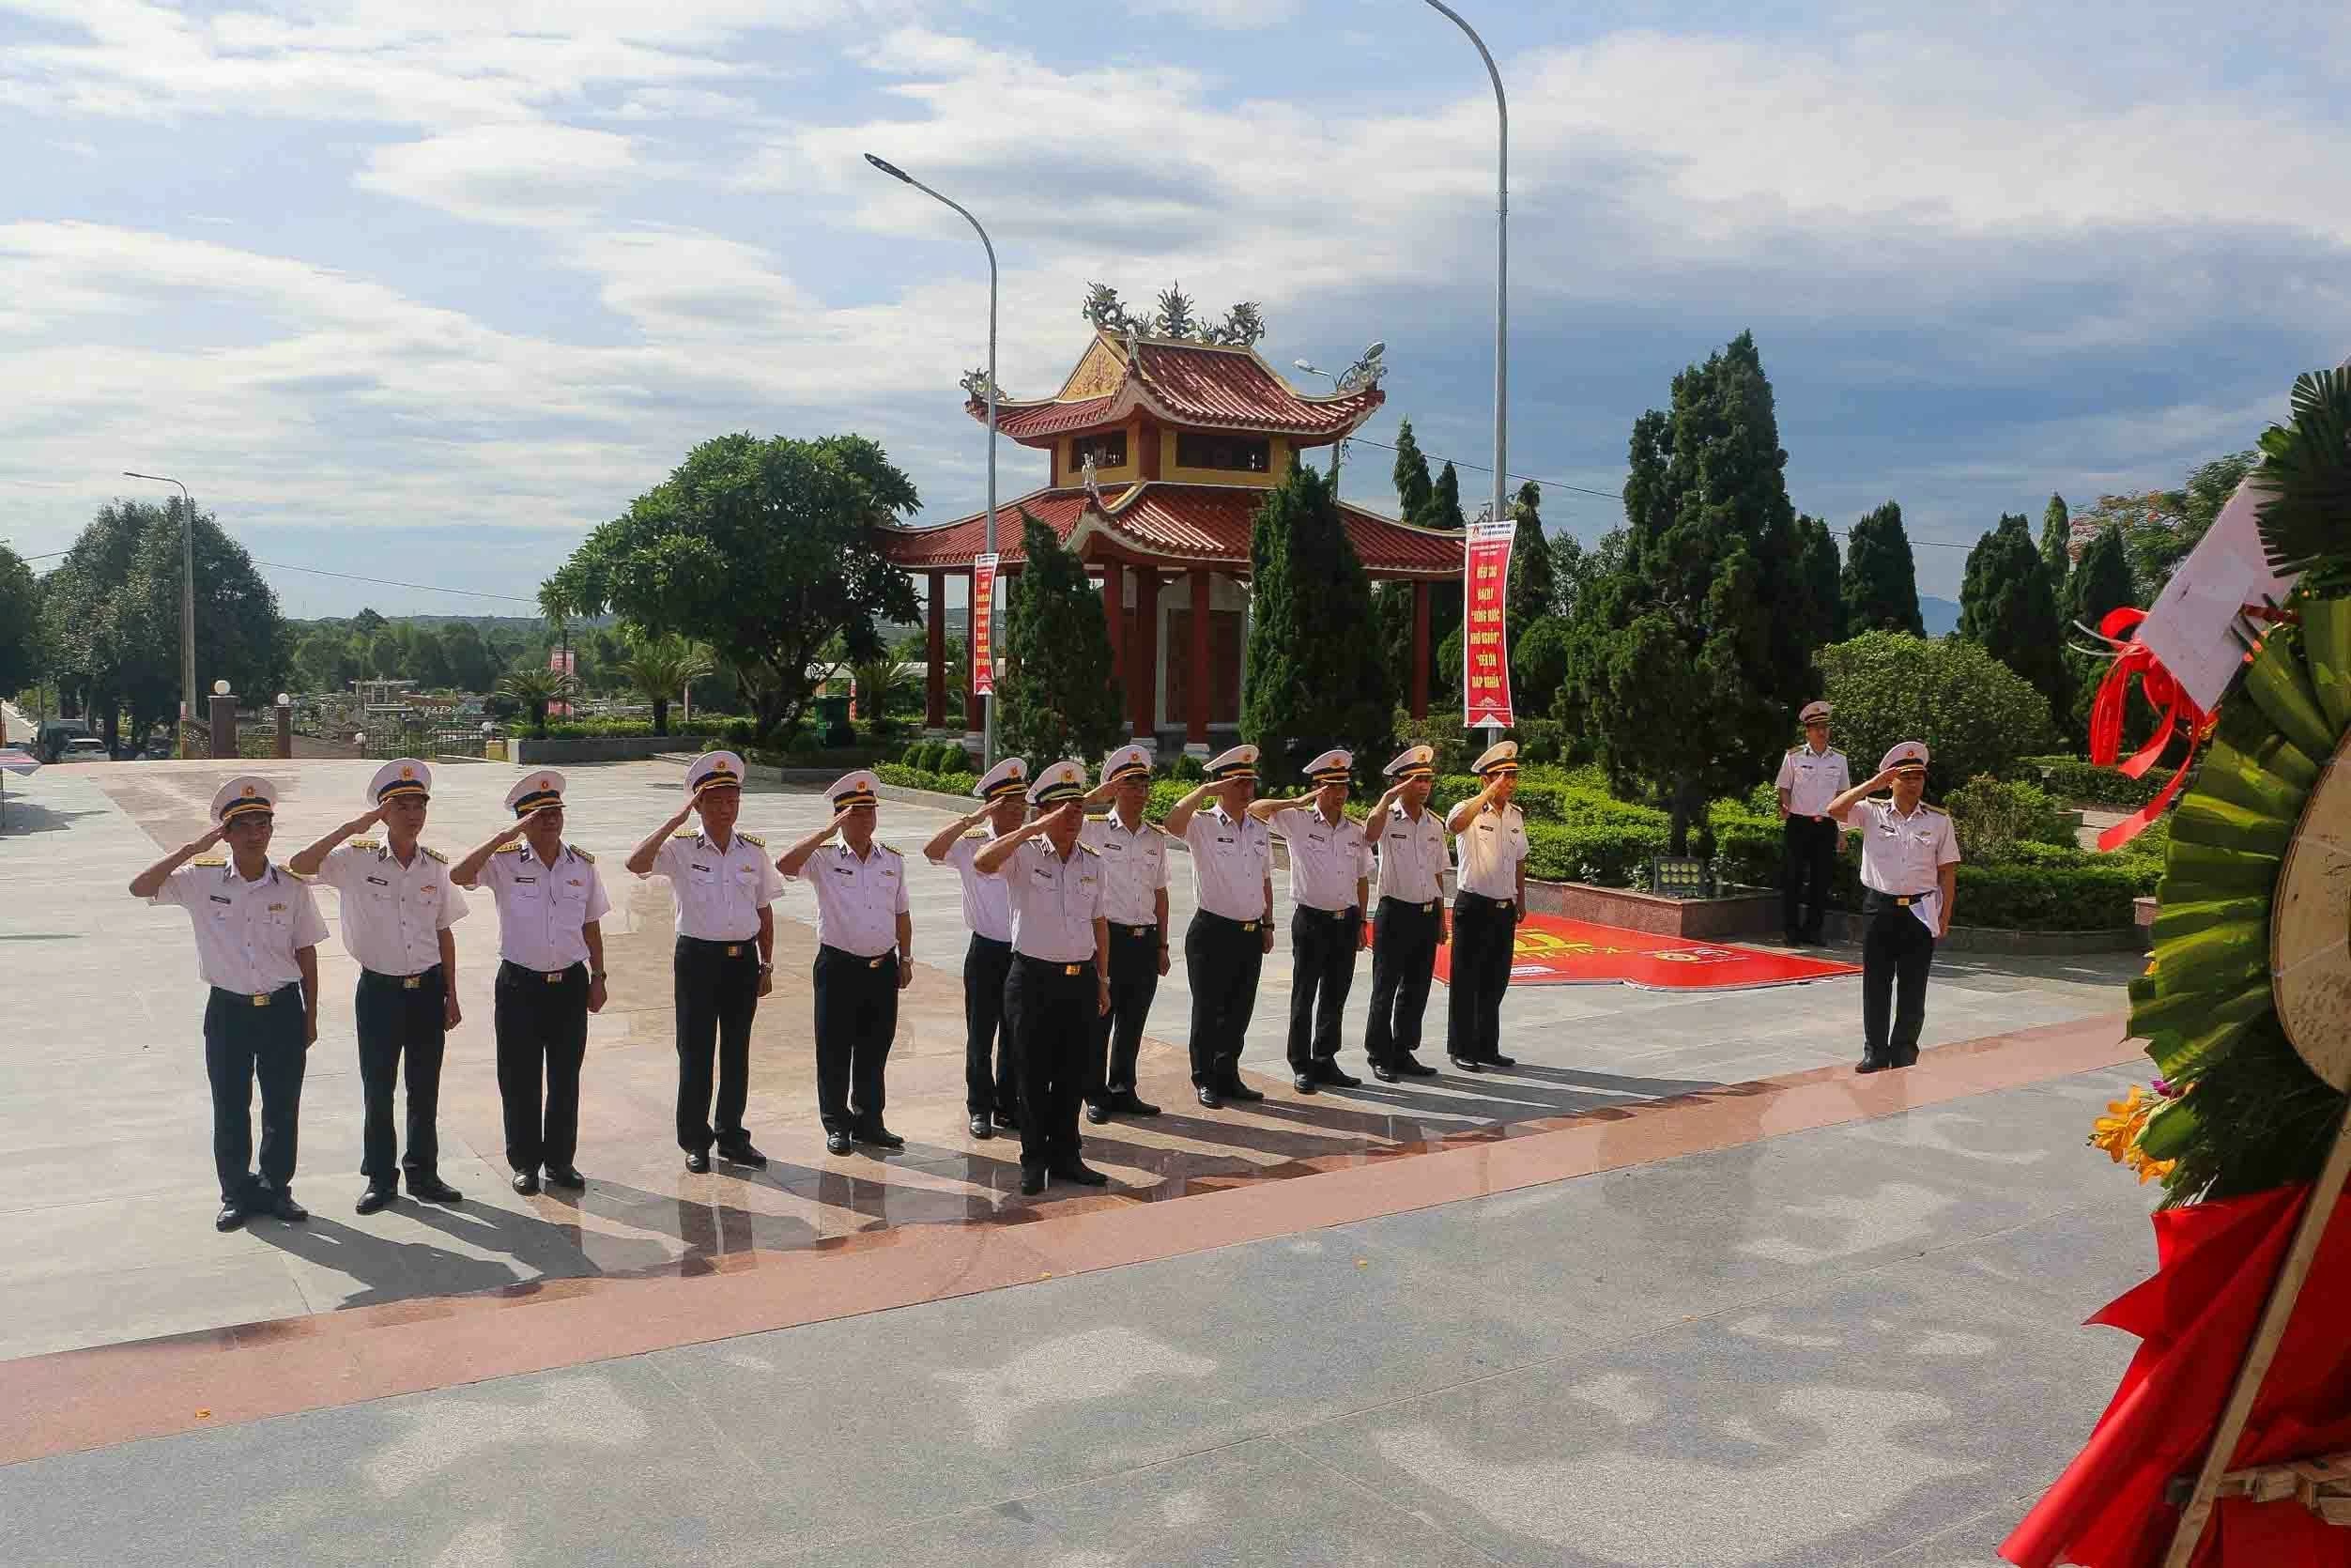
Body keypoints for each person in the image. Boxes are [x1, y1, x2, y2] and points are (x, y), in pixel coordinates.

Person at [131, 776, 328, 1231]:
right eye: (244, 826)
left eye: (263, 824)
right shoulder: (202, 880)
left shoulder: (291, 887)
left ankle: (277, 1188)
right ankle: (236, 1193)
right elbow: (140, 888)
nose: (255, 833)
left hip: (281, 1008)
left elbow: (307, 951)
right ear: (226, 833)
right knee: (231, 1105)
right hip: (228, 1011)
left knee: (282, 1104)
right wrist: (191, 849)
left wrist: (311, 1015)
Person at [288, 759, 469, 1214]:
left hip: (427, 989)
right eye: (401, 805)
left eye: (418, 805)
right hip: (379, 991)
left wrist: (452, 993)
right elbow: (300, 864)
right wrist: (355, 826)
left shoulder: (435, 867)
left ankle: (424, 1173)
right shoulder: (355, 860)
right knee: (379, 1087)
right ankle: (380, 1178)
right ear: (383, 812)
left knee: (424, 1087)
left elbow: (444, 930)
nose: (413, 813)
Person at [451, 772, 610, 1196]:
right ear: (523, 820)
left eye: (556, 812)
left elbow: (591, 923)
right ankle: (524, 1162)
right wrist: (508, 835)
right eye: (540, 814)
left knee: (564, 1076)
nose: (551, 820)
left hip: (570, 984)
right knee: (519, 1077)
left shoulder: (582, 865)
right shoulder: (503, 862)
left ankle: (560, 1162)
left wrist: (599, 976)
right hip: (520, 984)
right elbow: (458, 874)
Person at [626, 750, 782, 1175]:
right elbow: (636, 863)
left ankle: (731, 1134)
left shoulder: (753, 851)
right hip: (697, 960)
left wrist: (766, 964)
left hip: (741, 961)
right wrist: (676, 822)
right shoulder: (679, 848)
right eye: (715, 800)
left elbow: (764, 909)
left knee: (736, 1051)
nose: (726, 808)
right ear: (698, 804)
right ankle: (695, 1138)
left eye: (732, 799)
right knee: (695, 1051)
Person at [974, 760, 1111, 1194]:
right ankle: (1033, 1160)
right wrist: (1032, 830)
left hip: (1079, 979)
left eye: (1077, 810)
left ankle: (1067, 1155)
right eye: (1062, 811)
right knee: (1031, 1074)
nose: (1073, 818)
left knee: (1074, 1072)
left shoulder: (1093, 860)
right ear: (1043, 813)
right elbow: (981, 861)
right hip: (1032, 978)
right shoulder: (1024, 855)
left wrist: (1102, 979)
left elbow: (1099, 921)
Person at [776, 771, 911, 1157]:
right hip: (838, 967)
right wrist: (825, 832)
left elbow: (902, 912)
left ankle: (871, 1121)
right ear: (840, 817)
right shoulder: (823, 857)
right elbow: (784, 865)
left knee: (875, 1048)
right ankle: (836, 1123)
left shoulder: (892, 860)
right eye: (855, 813)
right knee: (834, 1049)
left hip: (882, 967)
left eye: (870, 812)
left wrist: (906, 957)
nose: (865, 819)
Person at [1827, 740, 1961, 1073]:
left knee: (1914, 985)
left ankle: (1904, 1049)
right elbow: (1834, 810)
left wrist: (1944, 917)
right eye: (1907, 776)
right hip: (1880, 908)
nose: (1914, 783)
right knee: (1877, 983)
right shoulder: (1870, 810)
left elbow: (1947, 872)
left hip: (1921, 909)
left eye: (1919, 777)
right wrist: (1872, 785)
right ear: (1892, 780)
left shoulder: (1938, 821)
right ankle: (1875, 1050)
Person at [1249, 748, 1373, 1095]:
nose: (1340, 794)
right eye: (1331, 787)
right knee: (1305, 994)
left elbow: (1362, 877)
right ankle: (1301, 1064)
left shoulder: (1354, 830)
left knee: (1336, 994)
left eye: (1343, 787)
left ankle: (1326, 1059)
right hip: (1311, 921)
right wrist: (1299, 800)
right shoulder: (1298, 821)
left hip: (1345, 920)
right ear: (1318, 787)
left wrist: (1361, 920)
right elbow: (1255, 810)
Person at [1162, 745, 1275, 1109]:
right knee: (1208, 1008)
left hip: (1249, 931)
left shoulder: (1258, 828)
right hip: (1212, 932)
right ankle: (1205, 1077)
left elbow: (1265, 878)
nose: (1248, 789)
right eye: (1240, 783)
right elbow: (1171, 823)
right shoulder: (1203, 824)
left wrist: (1268, 922)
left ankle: (1228, 1073)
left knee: (1240, 1008)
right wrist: (1204, 792)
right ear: (1223, 785)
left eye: (1250, 782)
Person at [923, 756, 1027, 1140]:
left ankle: (1008, 1105)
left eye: (1022, 804)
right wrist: (970, 820)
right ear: (992, 808)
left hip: (1024, 953)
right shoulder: (970, 845)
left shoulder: (1032, 843)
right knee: (981, 1034)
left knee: (1016, 1034)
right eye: (1008, 805)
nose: (1018, 811)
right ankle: (979, 1107)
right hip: (985, 951)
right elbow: (931, 851)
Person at [1079, 745, 1168, 1124]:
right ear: (1115, 788)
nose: (1140, 792)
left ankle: (1123, 1088)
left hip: (1144, 938)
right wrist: (1094, 798)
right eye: (1130, 784)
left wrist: (1162, 943)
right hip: (1108, 938)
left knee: (1134, 1020)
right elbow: (1051, 816)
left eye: (1144, 784)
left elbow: (1160, 892)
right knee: (1101, 1019)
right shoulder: (1094, 829)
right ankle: (1094, 1093)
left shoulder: (1154, 838)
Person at [1362, 744, 1451, 1083]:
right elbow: (1369, 833)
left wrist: (1441, 917)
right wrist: (1386, 799)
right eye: (1417, 779)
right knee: (1386, 985)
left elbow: (1438, 872)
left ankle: (1403, 1049)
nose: (1425, 785)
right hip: (1395, 913)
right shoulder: (1387, 818)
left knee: (1417, 986)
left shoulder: (1434, 824)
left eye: (1428, 779)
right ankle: (1379, 1052)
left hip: (1426, 913)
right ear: (1399, 783)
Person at [1444, 740, 1528, 1073]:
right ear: (1485, 779)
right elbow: (1454, 826)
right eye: (1502, 776)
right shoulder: (1468, 810)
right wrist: (1485, 796)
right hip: (1474, 905)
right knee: (1467, 980)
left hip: (1504, 907)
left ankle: (1487, 1046)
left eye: (1512, 776)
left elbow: (1520, 857)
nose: (1509, 782)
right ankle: (1462, 1047)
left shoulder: (1515, 815)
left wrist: (1520, 896)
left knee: (1496, 979)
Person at [1775, 699, 1850, 945]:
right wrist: (1784, 804)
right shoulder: (1794, 756)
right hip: (1798, 824)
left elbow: (1843, 797)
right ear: (1807, 731)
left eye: (1825, 726)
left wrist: (1842, 832)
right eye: (1816, 727)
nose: (1822, 731)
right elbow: (1784, 787)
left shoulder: (1839, 759)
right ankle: (1790, 929)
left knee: (1821, 880)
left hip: (1826, 825)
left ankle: (1813, 930)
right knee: (1793, 878)